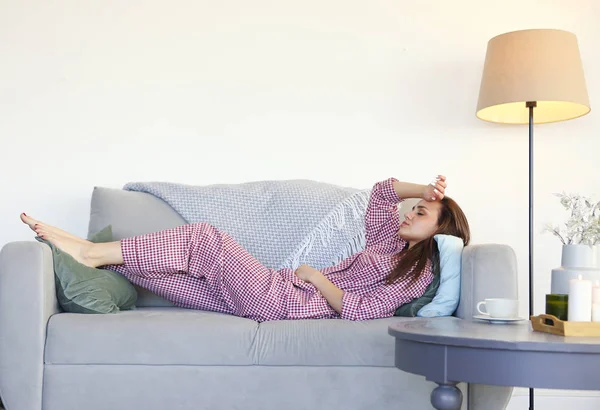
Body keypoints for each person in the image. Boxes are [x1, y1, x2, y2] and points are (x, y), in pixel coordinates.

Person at [20, 175, 470, 322]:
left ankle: (89, 252)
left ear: (439, 231)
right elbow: (382, 191)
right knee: (166, 276)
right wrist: (425, 188)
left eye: (422, 214)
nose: (409, 212)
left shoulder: (416, 273)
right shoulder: (386, 242)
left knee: (205, 239)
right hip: (277, 289)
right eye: (413, 209)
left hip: (288, 302)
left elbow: (359, 310)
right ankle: (80, 248)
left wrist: (316, 277)